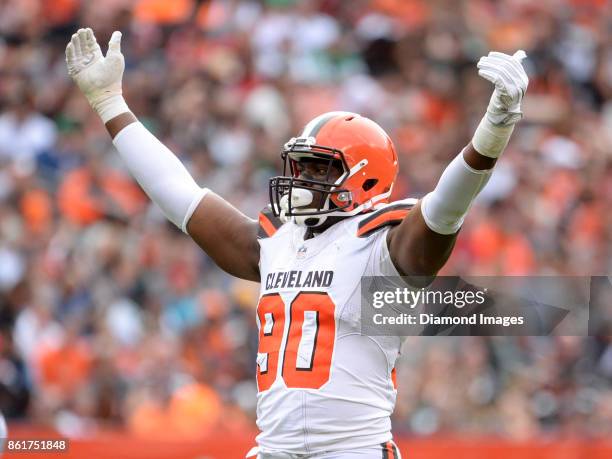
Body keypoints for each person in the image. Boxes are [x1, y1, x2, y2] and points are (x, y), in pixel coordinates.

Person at [65, 28, 528, 459]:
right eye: (301, 166)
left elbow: (447, 205)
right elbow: (181, 197)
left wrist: (492, 130)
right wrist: (110, 105)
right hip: (273, 449)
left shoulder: (383, 248)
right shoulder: (275, 242)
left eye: (319, 168)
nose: (302, 178)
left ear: (365, 179)